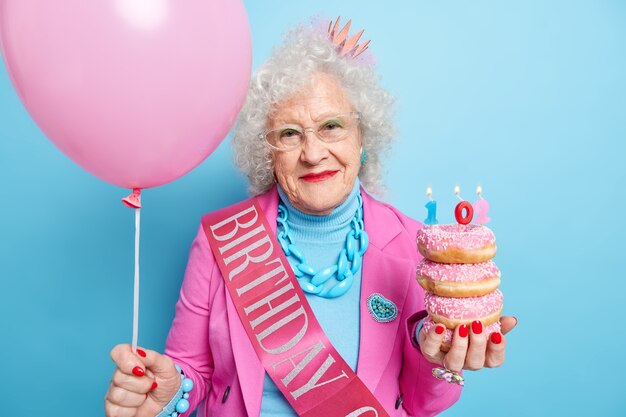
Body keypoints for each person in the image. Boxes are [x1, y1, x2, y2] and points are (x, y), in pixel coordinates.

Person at [104, 18, 516, 417]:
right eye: (289, 134)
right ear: (268, 152)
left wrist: (442, 358)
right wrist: (170, 391)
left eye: (331, 126)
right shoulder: (220, 239)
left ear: (363, 138)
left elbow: (424, 403)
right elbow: (191, 369)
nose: (313, 153)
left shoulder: (414, 244)